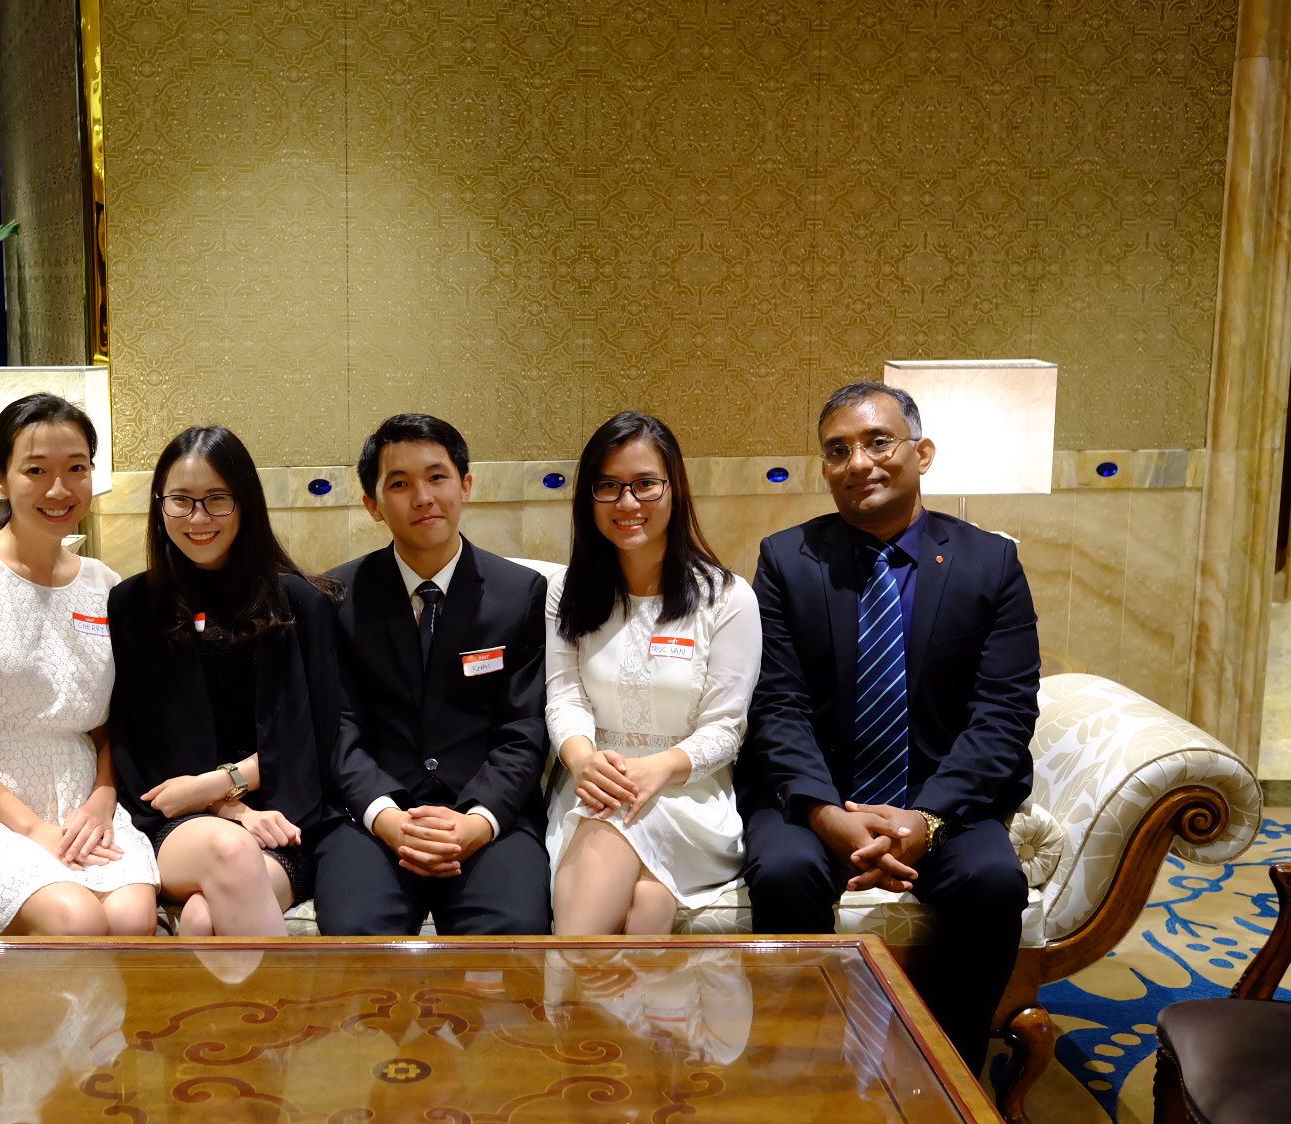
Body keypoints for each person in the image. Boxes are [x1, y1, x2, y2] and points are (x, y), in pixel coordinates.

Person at [734, 380, 1039, 1073]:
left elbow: (1005, 713)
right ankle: (805, 1065)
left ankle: (946, 1071)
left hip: (941, 796)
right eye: (838, 450)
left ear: (921, 452)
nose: (858, 463)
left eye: (878, 442)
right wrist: (824, 814)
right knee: (783, 870)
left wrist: (925, 818)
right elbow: (775, 705)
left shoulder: (990, 563)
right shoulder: (787, 561)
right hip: (819, 794)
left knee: (993, 881)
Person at [0, 393, 158, 959]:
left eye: (76, 469)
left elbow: (115, 717)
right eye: (36, 471)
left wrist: (104, 793)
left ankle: (107, 1049)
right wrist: (29, 827)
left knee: (133, 917)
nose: (59, 490)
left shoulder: (104, 584)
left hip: (82, 800)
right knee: (78, 920)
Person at [314, 413, 551, 935]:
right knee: (356, 937)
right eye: (399, 484)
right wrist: (388, 819)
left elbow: (524, 730)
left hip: (486, 816)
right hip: (373, 818)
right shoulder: (335, 597)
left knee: (511, 938)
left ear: (465, 485)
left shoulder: (519, 594)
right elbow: (339, 729)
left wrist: (476, 821)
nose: (422, 497)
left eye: (437, 477)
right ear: (373, 506)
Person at [106, 426, 341, 936]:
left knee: (201, 920)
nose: (198, 519)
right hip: (178, 820)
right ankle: (293, 1017)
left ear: (246, 503)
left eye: (216, 500)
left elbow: (315, 736)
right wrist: (225, 808)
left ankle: (232, 1019)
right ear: (158, 505)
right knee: (227, 849)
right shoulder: (131, 605)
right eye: (182, 501)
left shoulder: (300, 605)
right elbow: (137, 742)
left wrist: (225, 784)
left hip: (283, 816)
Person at [545, 411, 761, 935]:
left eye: (645, 484)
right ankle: (612, 1014)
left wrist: (657, 769)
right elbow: (564, 697)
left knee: (616, 830)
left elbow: (726, 727)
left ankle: (561, 1004)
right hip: (591, 785)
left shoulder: (727, 598)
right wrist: (582, 761)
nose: (627, 503)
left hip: (687, 794)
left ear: (675, 488)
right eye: (609, 486)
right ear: (588, 497)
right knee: (647, 903)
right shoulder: (566, 591)